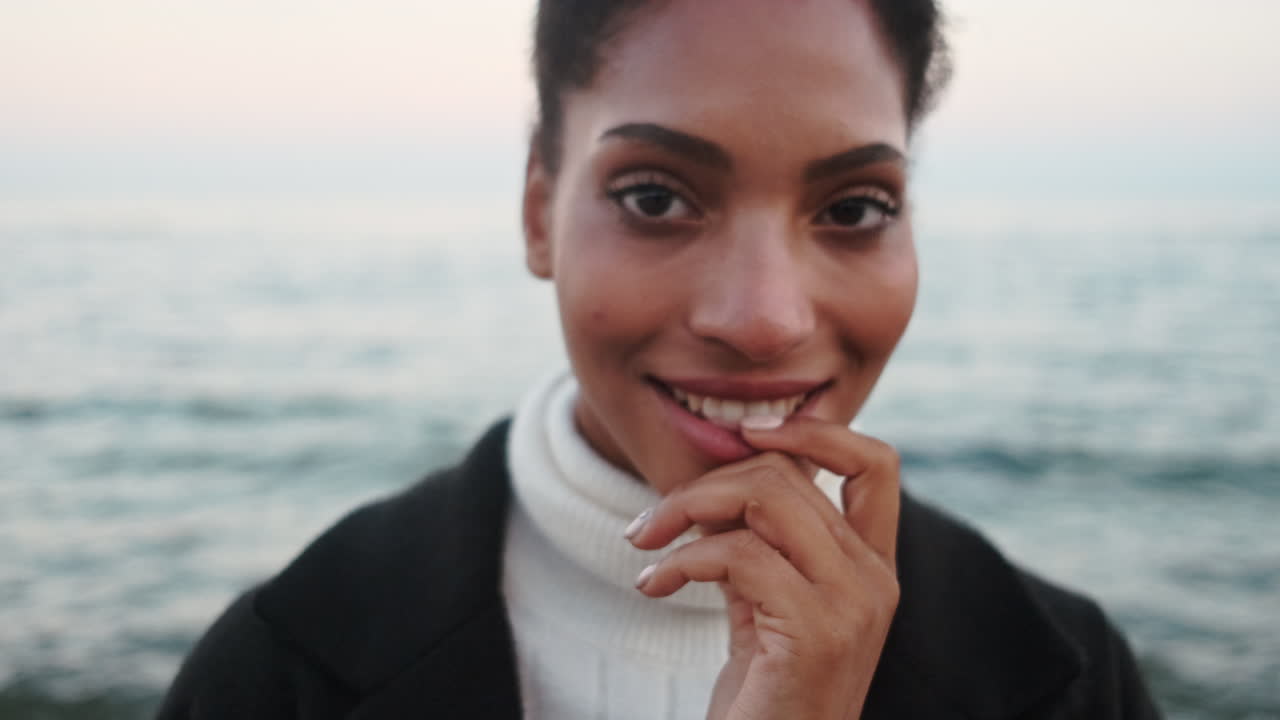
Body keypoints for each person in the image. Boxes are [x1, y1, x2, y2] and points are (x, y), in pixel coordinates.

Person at [157, 1, 1163, 718]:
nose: (763, 320)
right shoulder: (281, 668)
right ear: (538, 211)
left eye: (855, 209)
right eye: (654, 197)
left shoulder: (1067, 678)